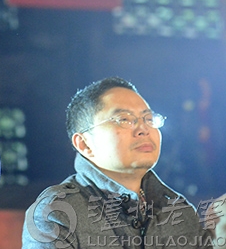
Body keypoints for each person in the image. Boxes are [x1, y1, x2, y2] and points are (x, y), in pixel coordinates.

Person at [22, 76, 213, 248]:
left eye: (148, 119)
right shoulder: (58, 213)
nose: (143, 129)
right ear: (84, 144)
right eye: (124, 119)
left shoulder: (180, 212)